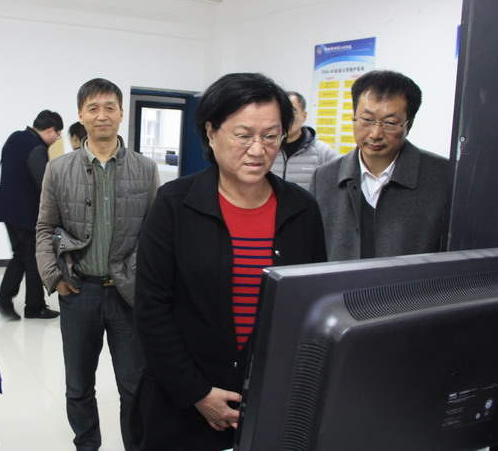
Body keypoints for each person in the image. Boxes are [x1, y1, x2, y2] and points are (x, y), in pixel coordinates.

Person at [130, 73, 327, 450]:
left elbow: (313, 312)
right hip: (182, 404)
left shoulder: (302, 210)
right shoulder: (174, 205)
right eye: (243, 135)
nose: (258, 149)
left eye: (271, 136)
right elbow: (152, 310)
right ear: (211, 132)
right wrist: (198, 393)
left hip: (271, 402)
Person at [36, 78, 159, 451]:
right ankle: (86, 445)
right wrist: (54, 277)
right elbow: (44, 228)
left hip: (128, 293)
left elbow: (154, 233)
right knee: (78, 386)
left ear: (121, 113)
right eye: (93, 108)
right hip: (79, 290)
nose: (101, 115)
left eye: (109, 108)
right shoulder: (59, 169)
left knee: (134, 386)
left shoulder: (145, 168)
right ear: (80, 115)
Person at [309, 70, 449, 261]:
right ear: (353, 117)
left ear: (409, 124)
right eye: (367, 120)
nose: (375, 133)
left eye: (390, 122)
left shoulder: (443, 177)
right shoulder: (325, 177)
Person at [0, 109, 63, 320]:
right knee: (33, 261)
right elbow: (44, 184)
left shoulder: (15, 138)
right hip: (26, 215)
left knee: (20, 256)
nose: (57, 139)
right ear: (50, 130)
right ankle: (34, 307)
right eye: (58, 134)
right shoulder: (37, 148)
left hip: (7, 210)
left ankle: (4, 300)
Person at [270, 91, 338, 190]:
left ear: (304, 116)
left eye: (292, 111)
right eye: (283, 112)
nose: (287, 117)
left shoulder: (322, 152)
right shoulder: (268, 148)